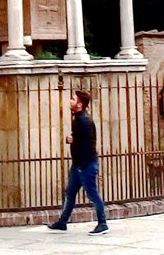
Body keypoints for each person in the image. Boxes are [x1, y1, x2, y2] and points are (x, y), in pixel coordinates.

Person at [48, 90, 109, 235]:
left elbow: (88, 144)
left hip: (85, 165)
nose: (70, 101)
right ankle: (62, 222)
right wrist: (72, 140)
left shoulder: (85, 121)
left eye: (73, 99)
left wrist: (75, 144)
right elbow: (79, 140)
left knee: (92, 194)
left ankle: (103, 223)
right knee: (70, 192)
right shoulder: (78, 119)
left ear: (79, 104)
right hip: (78, 165)